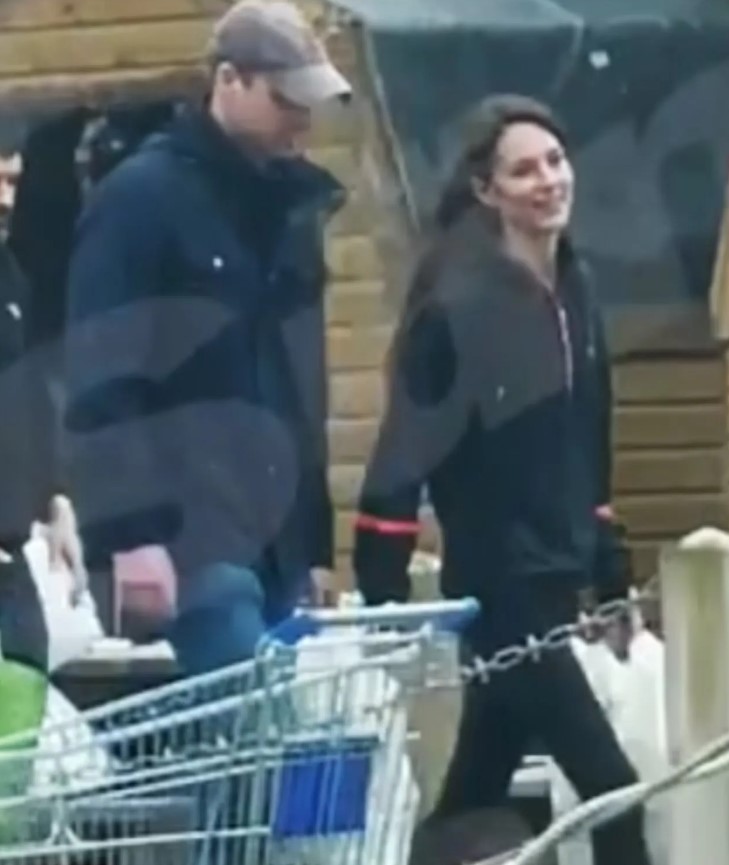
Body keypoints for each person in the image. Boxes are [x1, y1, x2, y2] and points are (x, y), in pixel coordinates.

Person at [353, 95, 650, 864]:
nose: (547, 180)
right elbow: (402, 449)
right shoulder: (457, 307)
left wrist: (608, 565)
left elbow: (587, 440)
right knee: (614, 793)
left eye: (554, 160)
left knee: (474, 795)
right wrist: (381, 581)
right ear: (486, 190)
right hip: (500, 589)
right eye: (522, 171)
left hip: (554, 577)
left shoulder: (575, 290)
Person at [65, 0, 351, 674]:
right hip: (189, 540)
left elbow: (301, 384)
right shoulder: (140, 199)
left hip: (276, 541)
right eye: (286, 99)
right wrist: (129, 535)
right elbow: (101, 377)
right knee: (258, 721)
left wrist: (313, 543)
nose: (302, 118)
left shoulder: (291, 213)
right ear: (228, 80)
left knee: (268, 732)